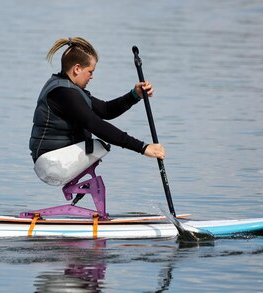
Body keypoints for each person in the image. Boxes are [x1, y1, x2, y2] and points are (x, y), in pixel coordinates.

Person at [29, 37, 165, 186]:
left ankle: (86, 191)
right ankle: (87, 191)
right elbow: (96, 124)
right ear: (77, 69)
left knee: (97, 145)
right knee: (99, 145)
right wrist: (143, 147)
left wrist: (134, 95)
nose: (92, 77)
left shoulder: (68, 88)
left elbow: (106, 110)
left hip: (51, 159)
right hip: (51, 163)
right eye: (90, 71)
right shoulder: (64, 93)